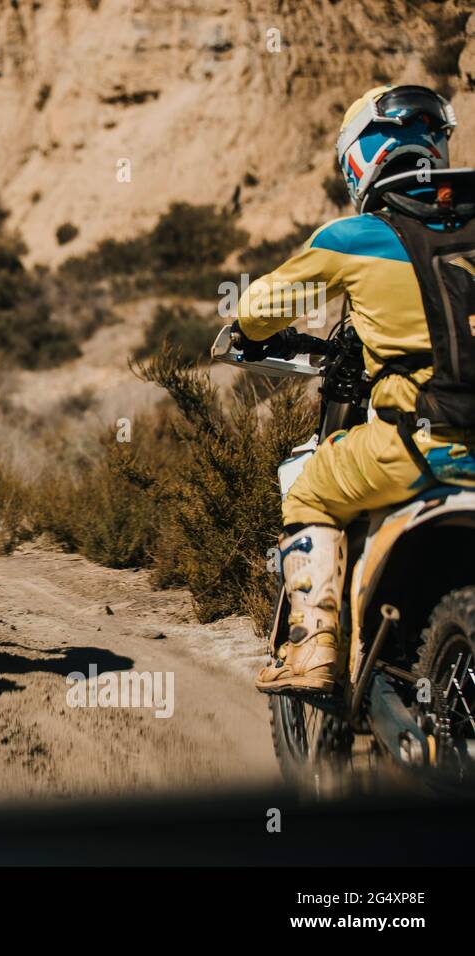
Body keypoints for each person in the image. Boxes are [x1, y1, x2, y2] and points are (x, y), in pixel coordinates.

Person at [232, 84, 475, 695]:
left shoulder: (356, 236)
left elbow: (260, 308)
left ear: (358, 158)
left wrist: (244, 329)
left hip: (416, 444)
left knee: (310, 492)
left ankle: (314, 651)